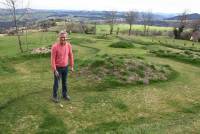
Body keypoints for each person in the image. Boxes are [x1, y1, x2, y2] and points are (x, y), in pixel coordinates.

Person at [51, 31, 74, 103]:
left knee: (65, 82)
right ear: (59, 38)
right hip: (58, 68)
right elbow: (52, 59)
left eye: (64, 37)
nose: (63, 39)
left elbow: (71, 55)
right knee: (57, 82)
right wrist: (55, 70)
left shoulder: (69, 45)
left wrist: (72, 66)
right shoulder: (54, 47)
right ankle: (54, 96)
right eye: (61, 37)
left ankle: (64, 95)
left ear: (66, 38)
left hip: (65, 67)